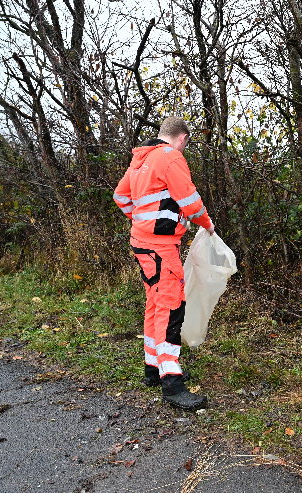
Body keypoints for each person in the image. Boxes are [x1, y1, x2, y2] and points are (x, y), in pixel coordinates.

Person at [113, 116, 214, 411]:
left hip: (142, 244)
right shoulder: (171, 157)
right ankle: (172, 383)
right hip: (161, 248)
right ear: (182, 138)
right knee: (171, 309)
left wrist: (142, 220)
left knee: (155, 304)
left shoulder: (140, 160)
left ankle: (152, 369)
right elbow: (191, 202)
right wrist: (208, 225)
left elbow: (121, 197)